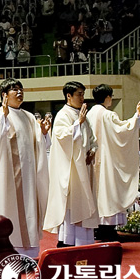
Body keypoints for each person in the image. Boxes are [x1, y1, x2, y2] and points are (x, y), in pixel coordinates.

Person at [0, 78, 51, 258]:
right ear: (4, 95)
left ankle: (28, 253)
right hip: (7, 179)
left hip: (28, 178)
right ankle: (7, 252)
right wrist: (2, 118)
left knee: (28, 212)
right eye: (14, 90)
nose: (19, 93)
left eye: (21, 89)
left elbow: (38, 145)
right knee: (7, 210)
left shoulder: (29, 117)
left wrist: (42, 134)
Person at [87, 84, 140, 241]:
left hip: (93, 160)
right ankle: (107, 230)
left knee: (97, 192)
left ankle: (97, 228)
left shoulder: (89, 114)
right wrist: (137, 114)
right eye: (111, 96)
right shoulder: (108, 115)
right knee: (109, 192)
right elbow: (124, 130)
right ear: (107, 97)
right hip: (107, 160)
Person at [44, 81, 98, 247]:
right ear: (69, 96)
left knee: (84, 202)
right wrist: (78, 123)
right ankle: (68, 241)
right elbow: (61, 137)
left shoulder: (83, 116)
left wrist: (93, 151)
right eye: (79, 94)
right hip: (72, 170)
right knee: (73, 205)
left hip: (84, 167)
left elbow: (91, 139)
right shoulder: (63, 115)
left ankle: (85, 241)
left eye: (83, 94)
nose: (82, 97)